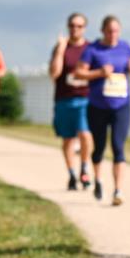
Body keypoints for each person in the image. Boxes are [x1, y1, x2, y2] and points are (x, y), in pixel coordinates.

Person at [75, 15, 130, 205]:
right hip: (98, 105)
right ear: (102, 31)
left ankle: (118, 190)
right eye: (109, 31)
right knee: (99, 146)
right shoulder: (92, 49)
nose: (113, 34)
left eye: (116, 31)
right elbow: (79, 73)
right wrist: (99, 73)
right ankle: (98, 180)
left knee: (118, 146)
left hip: (121, 105)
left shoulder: (126, 47)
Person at [49, 13, 93, 190]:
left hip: (85, 98)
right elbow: (54, 73)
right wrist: (60, 49)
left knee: (85, 133)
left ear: (84, 28)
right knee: (68, 139)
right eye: (72, 25)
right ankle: (71, 174)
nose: (75, 29)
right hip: (64, 98)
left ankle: (84, 167)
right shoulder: (61, 47)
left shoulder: (90, 48)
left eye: (79, 26)